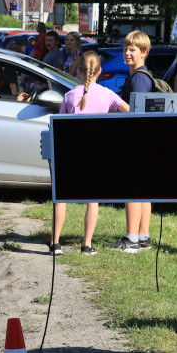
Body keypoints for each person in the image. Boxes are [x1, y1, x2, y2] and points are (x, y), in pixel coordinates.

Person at [51, 50, 129, 256]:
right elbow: (130, 111)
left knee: (61, 198)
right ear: (100, 71)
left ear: (79, 70)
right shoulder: (107, 94)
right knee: (92, 199)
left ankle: (55, 243)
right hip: (96, 152)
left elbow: (59, 127)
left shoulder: (69, 95)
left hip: (70, 152)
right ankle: (86, 245)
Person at [108, 30, 155, 253]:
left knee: (133, 189)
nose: (127, 53)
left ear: (144, 53)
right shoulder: (142, 75)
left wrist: (116, 105)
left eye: (133, 49)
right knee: (143, 190)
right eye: (126, 48)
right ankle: (143, 237)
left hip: (138, 139)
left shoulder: (138, 78)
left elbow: (136, 112)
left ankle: (132, 239)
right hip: (146, 139)